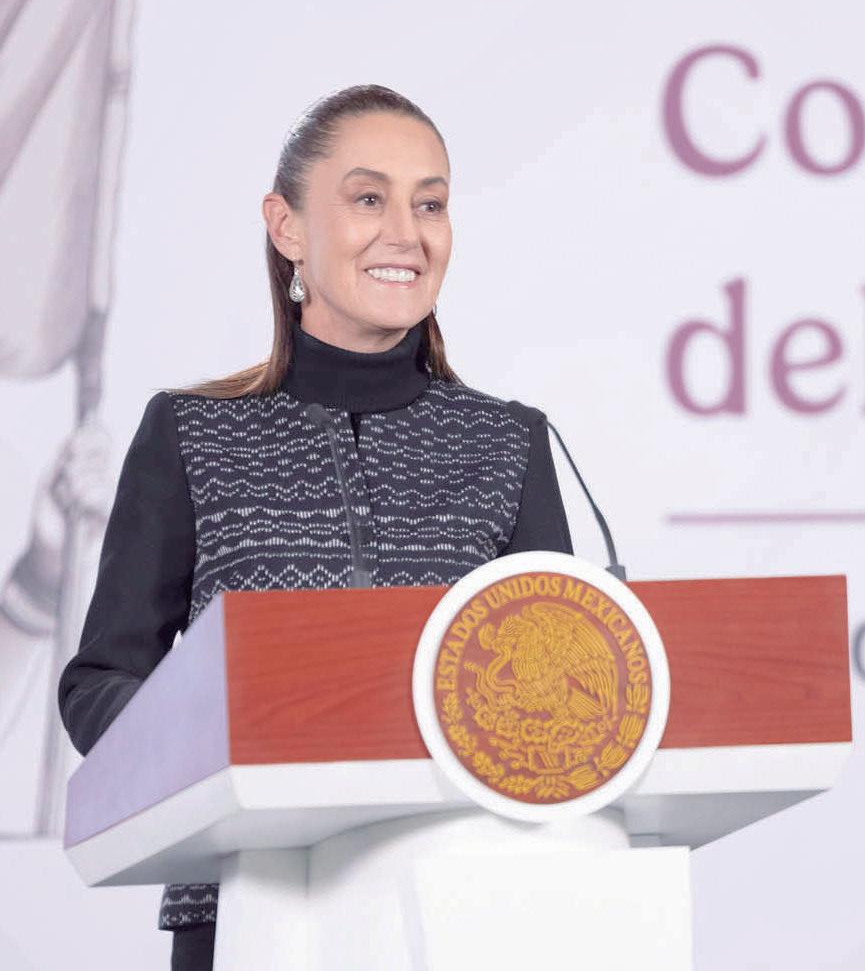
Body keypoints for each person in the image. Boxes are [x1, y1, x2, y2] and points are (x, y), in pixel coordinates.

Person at [57, 83, 574, 971]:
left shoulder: (509, 442)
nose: (406, 233)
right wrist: (219, 739)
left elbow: (560, 686)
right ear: (287, 227)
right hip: (242, 908)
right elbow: (101, 681)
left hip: (465, 907)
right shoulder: (192, 432)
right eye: (368, 198)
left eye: (430, 204)